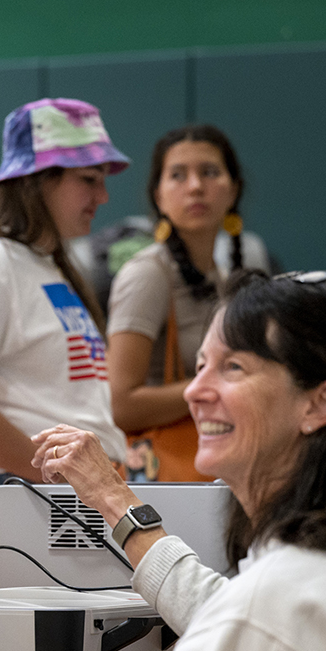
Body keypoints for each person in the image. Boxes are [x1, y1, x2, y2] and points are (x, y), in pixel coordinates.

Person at [30, 269, 326, 651]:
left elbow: (251, 623)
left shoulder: (275, 603)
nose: (193, 391)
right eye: (200, 364)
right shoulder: (325, 570)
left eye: (233, 368)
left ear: (320, 402)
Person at [0, 98, 130, 585]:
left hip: (53, 503)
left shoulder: (44, 265)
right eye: (89, 178)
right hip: (9, 505)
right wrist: (56, 476)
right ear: (38, 180)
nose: (102, 196)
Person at [106, 126, 247, 471]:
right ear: (159, 196)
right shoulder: (149, 274)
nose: (196, 186)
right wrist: (216, 386)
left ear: (233, 190)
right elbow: (119, 404)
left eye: (210, 172)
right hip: (161, 472)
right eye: (178, 176)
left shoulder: (223, 275)